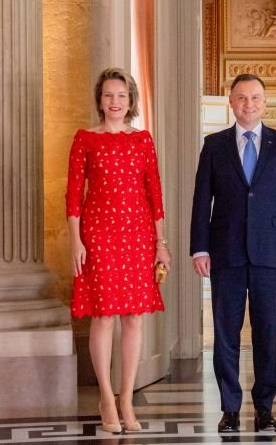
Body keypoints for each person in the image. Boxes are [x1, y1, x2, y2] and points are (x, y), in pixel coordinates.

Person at [189, 73, 276, 433]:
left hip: (271, 254)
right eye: (242, 98)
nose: (249, 104)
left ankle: (265, 408)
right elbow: (201, 201)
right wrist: (199, 248)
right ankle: (229, 408)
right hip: (225, 252)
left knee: (266, 334)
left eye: (256, 97)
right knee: (225, 333)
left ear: (265, 102)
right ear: (231, 102)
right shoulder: (214, 145)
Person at [65, 67, 171, 435]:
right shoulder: (85, 140)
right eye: (109, 95)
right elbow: (73, 195)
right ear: (99, 100)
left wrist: (161, 243)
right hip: (98, 236)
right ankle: (106, 398)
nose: (115, 102)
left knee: (134, 318)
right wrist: (75, 240)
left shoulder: (142, 140)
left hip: (138, 236)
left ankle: (127, 398)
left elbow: (154, 195)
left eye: (121, 96)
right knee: (103, 317)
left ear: (131, 101)